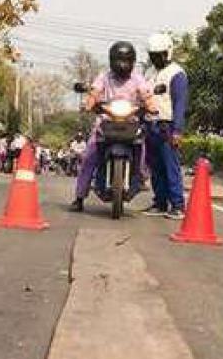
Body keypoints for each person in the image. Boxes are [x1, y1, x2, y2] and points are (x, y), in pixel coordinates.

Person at [69, 41, 156, 212]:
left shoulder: (138, 79)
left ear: (132, 62)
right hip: (106, 122)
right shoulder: (104, 77)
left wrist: (151, 105)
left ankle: (140, 176)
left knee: (143, 148)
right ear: (111, 61)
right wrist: (90, 103)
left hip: (131, 123)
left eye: (126, 60)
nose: (122, 64)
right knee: (89, 156)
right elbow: (94, 91)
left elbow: (146, 94)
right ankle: (79, 196)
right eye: (119, 60)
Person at [143, 32, 189, 219]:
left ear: (167, 52)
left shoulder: (177, 74)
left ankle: (177, 204)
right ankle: (160, 202)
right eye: (153, 55)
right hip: (150, 123)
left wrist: (177, 130)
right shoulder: (149, 73)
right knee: (155, 167)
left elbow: (179, 103)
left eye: (159, 55)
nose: (156, 58)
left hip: (167, 125)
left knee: (171, 166)